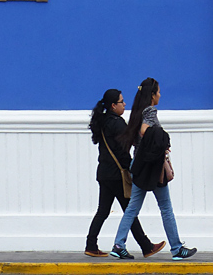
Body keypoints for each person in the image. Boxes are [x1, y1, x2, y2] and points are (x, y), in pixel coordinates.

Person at [110, 78, 197, 261]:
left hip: (139, 166)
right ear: (152, 94)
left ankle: (119, 244)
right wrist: (162, 139)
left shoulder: (136, 112)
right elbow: (144, 131)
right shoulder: (150, 111)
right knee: (165, 207)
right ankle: (176, 248)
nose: (160, 95)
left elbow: (137, 137)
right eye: (158, 92)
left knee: (132, 208)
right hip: (152, 168)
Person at [84, 89, 165, 258]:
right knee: (130, 210)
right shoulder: (117, 123)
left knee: (104, 210)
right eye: (122, 102)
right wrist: (132, 166)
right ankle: (143, 246)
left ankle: (91, 245)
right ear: (113, 106)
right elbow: (124, 148)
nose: (125, 104)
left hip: (104, 173)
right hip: (117, 175)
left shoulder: (103, 121)